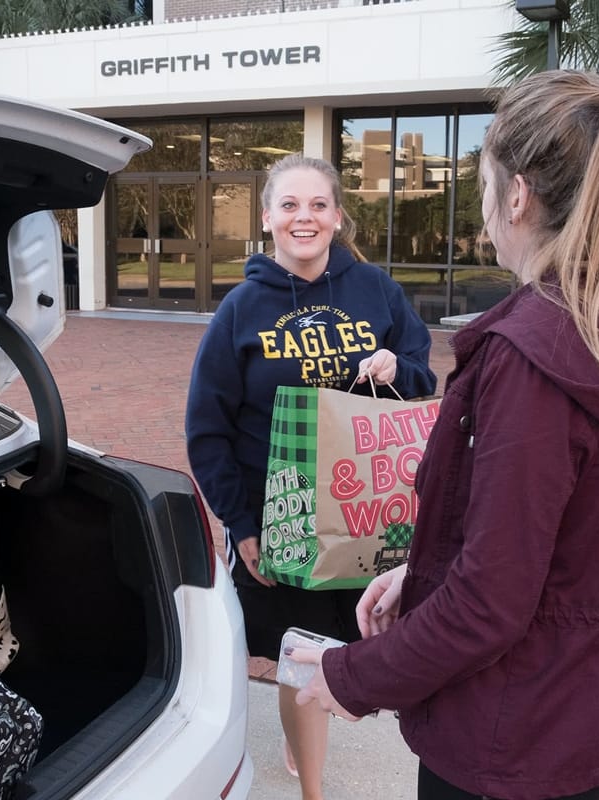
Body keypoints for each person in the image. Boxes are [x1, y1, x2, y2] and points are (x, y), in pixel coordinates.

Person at [290, 71, 599, 800]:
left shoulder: (534, 358)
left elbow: (491, 603)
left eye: (484, 185)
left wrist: (350, 678)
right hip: (581, 712)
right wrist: (420, 575)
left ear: (519, 195)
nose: (482, 215)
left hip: (509, 735)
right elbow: (554, 547)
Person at [185, 153, 437, 800]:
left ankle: (310, 744)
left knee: (353, 647)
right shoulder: (240, 310)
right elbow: (206, 430)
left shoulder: (376, 290)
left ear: (337, 216)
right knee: (300, 655)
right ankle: (314, 787)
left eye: (319, 205)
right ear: (267, 218)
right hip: (284, 521)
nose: (305, 217)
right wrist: (242, 527)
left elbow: (421, 375)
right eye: (290, 205)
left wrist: (394, 367)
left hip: (366, 516)